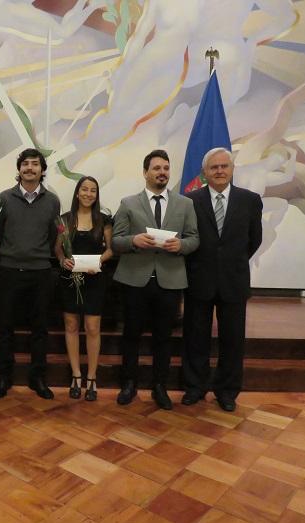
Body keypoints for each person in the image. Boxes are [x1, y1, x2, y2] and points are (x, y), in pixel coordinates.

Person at [112, 149, 199, 410]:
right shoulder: (128, 203)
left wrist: (181, 246)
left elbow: (195, 238)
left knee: (163, 337)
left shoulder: (186, 204)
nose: (162, 172)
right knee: (131, 335)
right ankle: (129, 384)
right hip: (134, 280)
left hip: (169, 281)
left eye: (165, 168)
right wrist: (133, 241)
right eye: (156, 168)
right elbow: (116, 241)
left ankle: (159, 386)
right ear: (145, 172)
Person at [182, 147, 263, 412]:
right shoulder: (191, 201)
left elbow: (254, 240)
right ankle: (195, 387)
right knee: (196, 338)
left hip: (234, 280)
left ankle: (227, 391)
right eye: (213, 167)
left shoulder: (250, 200)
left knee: (232, 340)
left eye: (224, 166)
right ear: (205, 172)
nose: (219, 171)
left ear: (232, 169)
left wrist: (230, 261)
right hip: (199, 279)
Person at [0, 148, 61, 399]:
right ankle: (3, 379)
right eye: (25, 164)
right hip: (10, 270)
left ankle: (38, 379)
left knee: (40, 329)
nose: (30, 168)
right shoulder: (4, 198)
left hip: (41, 272)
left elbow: (54, 236)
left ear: (42, 170)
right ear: (18, 169)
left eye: (35, 164)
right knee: (5, 328)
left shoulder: (52, 201)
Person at [55, 176, 113, 401]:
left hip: (95, 279)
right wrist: (62, 260)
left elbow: (111, 249)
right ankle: (76, 376)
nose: (89, 194)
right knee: (71, 325)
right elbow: (58, 249)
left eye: (93, 191)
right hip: (70, 279)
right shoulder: (65, 220)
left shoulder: (104, 220)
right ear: (77, 193)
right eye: (85, 190)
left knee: (92, 327)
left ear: (96, 195)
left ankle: (92, 378)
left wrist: (99, 260)